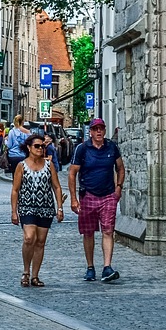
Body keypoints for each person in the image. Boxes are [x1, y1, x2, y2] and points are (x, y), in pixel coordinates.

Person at [68, 118, 126, 283]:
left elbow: (120, 168)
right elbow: (72, 173)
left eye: (101, 129)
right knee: (88, 233)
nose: (99, 132)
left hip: (108, 195)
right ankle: (90, 267)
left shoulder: (111, 147)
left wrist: (119, 187)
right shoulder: (82, 149)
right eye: (95, 129)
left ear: (104, 131)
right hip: (88, 195)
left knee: (108, 231)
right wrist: (73, 199)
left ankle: (107, 267)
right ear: (91, 132)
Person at [11, 132, 64, 287]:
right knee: (29, 238)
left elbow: (56, 186)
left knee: (40, 242)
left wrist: (59, 207)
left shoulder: (49, 165)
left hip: (46, 207)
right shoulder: (21, 166)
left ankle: (35, 276)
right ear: (29, 147)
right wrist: (14, 211)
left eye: (42, 146)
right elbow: (15, 190)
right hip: (26, 207)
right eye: (37, 146)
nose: (40, 148)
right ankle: (25, 272)